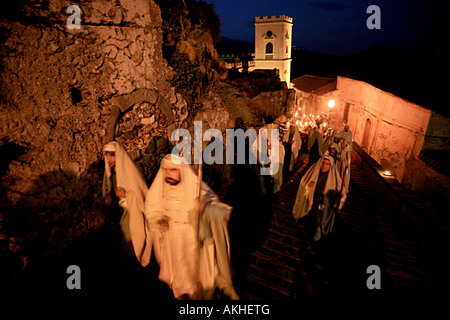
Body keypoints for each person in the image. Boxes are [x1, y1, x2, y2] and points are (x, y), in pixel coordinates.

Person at [144, 154, 238, 300]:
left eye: (173, 170)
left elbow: (221, 211)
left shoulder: (197, 189)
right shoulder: (160, 190)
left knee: (196, 283)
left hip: (193, 246)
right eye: (166, 170)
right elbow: (152, 210)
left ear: (182, 169)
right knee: (179, 284)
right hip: (172, 245)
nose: (168, 174)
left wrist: (205, 207)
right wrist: (158, 220)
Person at [102, 141, 152, 266]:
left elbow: (141, 194)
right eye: (107, 155)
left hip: (132, 212)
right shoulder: (110, 173)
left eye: (112, 155)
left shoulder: (129, 170)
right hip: (119, 214)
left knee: (131, 247)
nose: (109, 158)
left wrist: (126, 195)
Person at [292, 155, 344, 241]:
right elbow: (305, 181)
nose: (324, 165)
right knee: (315, 216)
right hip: (315, 198)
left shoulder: (333, 177)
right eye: (323, 163)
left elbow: (338, 189)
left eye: (327, 164)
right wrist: (309, 186)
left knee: (321, 218)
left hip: (324, 201)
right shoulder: (315, 172)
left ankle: (318, 234)